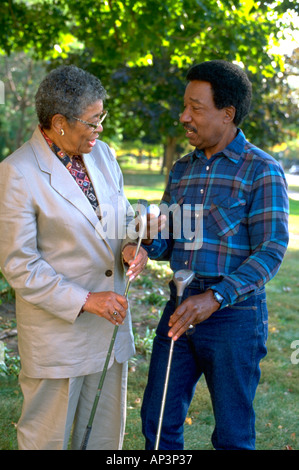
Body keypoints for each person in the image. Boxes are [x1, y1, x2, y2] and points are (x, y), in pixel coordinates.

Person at [140, 60, 289, 450]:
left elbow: (271, 250)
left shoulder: (262, 171)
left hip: (235, 318)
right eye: (184, 106)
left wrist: (217, 296)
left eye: (196, 108)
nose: (184, 116)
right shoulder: (181, 170)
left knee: (233, 437)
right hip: (178, 307)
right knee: (157, 425)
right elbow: (168, 242)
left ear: (227, 114)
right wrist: (145, 240)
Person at [0, 65, 148, 450]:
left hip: (109, 331)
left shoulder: (103, 156)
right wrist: (85, 300)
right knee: (46, 439)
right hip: (59, 337)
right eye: (93, 120)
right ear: (60, 122)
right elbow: (20, 264)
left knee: (103, 438)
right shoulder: (17, 172)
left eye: (102, 117)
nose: (100, 128)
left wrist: (131, 243)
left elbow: (122, 216)